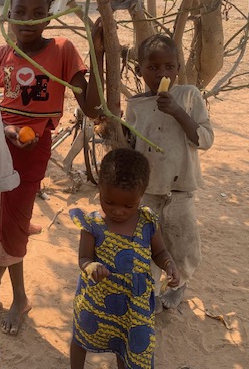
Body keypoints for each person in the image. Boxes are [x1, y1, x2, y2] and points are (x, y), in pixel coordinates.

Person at [0, 0, 104, 335]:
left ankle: (19, 297)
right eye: (19, 12)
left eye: (37, 13)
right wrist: (3, 130)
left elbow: (93, 107)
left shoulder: (63, 51)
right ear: (8, 15)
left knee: (13, 224)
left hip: (32, 153)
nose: (27, 21)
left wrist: (95, 56)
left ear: (49, 16)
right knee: (4, 222)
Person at [69, 148, 181, 369]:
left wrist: (169, 265)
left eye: (129, 206)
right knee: (81, 336)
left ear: (141, 195)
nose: (118, 211)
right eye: (109, 202)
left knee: (126, 344)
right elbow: (83, 258)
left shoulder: (148, 221)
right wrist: (92, 266)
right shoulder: (92, 225)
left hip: (134, 304)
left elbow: (159, 252)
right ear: (99, 189)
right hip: (97, 300)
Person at [125, 34, 214, 311]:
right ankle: (149, 292)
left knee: (182, 245)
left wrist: (178, 112)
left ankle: (178, 284)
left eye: (169, 67)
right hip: (148, 190)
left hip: (180, 190)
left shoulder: (189, 96)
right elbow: (131, 142)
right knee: (149, 244)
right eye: (152, 68)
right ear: (140, 70)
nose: (161, 73)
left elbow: (205, 139)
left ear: (177, 68)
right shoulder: (136, 105)